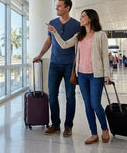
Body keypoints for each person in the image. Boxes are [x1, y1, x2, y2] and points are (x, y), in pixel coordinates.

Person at [47, 9, 111, 144]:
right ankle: (94, 134)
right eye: (81, 16)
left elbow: (104, 56)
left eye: (83, 16)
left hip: (96, 75)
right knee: (87, 105)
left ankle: (104, 129)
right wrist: (55, 32)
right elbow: (64, 45)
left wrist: (107, 75)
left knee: (95, 104)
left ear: (91, 18)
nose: (81, 19)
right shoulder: (79, 35)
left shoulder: (100, 35)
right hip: (81, 74)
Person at [33, 0, 80, 136]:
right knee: (52, 95)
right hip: (54, 64)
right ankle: (55, 124)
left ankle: (68, 126)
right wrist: (40, 55)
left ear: (67, 8)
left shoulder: (77, 25)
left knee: (70, 96)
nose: (56, 8)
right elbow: (49, 41)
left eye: (59, 6)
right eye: (56, 6)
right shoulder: (53, 23)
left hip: (69, 66)